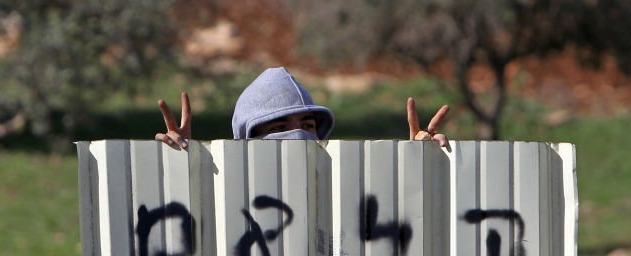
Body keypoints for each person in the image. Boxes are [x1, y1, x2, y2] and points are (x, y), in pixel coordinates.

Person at [155, 66, 450, 151]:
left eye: (307, 126)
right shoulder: (219, 197)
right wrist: (182, 170)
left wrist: (420, 165)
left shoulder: (342, 191)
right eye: (279, 128)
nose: (296, 137)